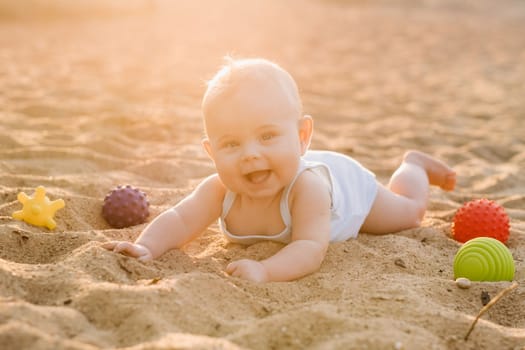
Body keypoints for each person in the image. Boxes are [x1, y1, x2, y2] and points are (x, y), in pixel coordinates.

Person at [103, 57, 456, 282]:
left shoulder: (307, 189)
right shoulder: (219, 189)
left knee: (410, 214)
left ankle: (414, 166)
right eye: (231, 144)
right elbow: (181, 220)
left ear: (302, 136)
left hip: (347, 192)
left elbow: (309, 248)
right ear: (211, 153)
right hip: (317, 176)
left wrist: (265, 270)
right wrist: (147, 247)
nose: (250, 155)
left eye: (268, 136)